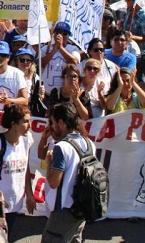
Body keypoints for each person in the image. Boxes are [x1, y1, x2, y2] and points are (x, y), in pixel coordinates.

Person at [0, 103, 35, 240]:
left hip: (14, 203)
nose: (29, 125)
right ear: (14, 124)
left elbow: (26, 168)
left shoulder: (27, 140)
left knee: (6, 238)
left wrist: (29, 194)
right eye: (25, 121)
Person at [41, 103, 94, 243]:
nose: (51, 126)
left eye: (52, 122)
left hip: (64, 210)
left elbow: (53, 182)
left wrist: (49, 163)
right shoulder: (89, 143)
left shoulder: (61, 147)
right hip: (83, 207)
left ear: (61, 122)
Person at [40, 22, 81, 94]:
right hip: (47, 92)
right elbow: (40, 64)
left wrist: (61, 48)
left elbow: (75, 62)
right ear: (54, 34)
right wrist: (54, 50)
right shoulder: (45, 48)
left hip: (65, 93)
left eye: (64, 33)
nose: (60, 35)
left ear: (68, 36)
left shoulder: (73, 49)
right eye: (58, 32)